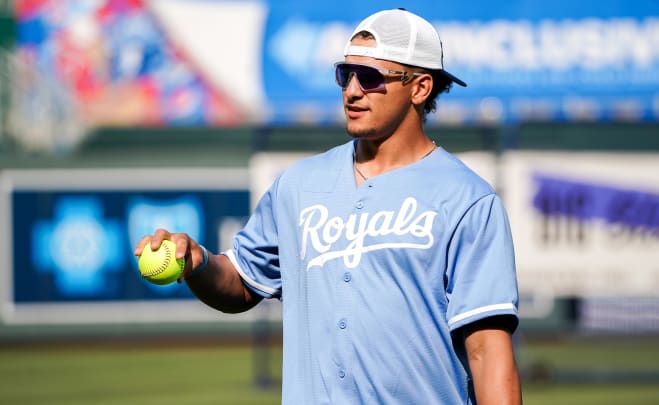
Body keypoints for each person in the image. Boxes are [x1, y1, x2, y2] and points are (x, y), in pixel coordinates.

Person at [136, 8, 522, 405]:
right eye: (345, 74)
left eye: (370, 77)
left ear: (419, 87)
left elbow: (487, 351)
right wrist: (198, 263)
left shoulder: (466, 199)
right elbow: (243, 282)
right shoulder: (299, 185)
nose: (352, 90)